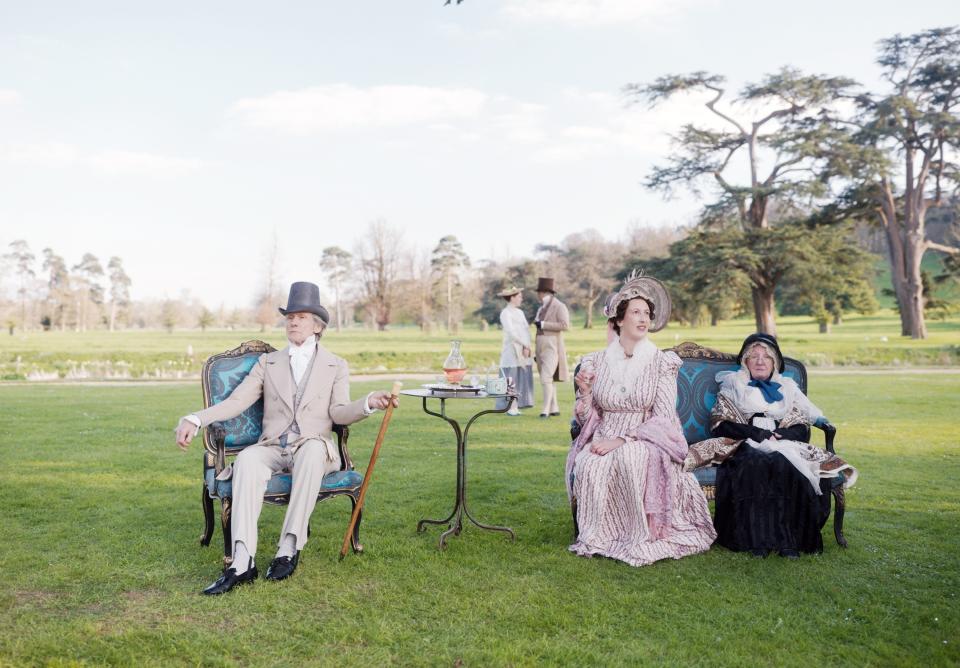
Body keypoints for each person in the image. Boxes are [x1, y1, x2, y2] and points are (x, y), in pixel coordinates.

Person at [174, 281, 398, 595]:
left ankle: (288, 548)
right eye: (290, 316)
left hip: (313, 445)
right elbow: (237, 402)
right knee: (249, 460)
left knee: (310, 451)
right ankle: (242, 562)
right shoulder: (269, 363)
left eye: (302, 316)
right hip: (273, 446)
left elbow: (339, 412)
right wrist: (195, 418)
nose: (292, 321)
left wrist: (367, 403)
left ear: (318, 325)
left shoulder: (336, 365)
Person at [566, 270, 716, 566]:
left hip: (648, 436)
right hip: (604, 432)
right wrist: (584, 392)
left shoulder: (661, 363)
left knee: (629, 457)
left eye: (646, 313)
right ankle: (603, 535)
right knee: (590, 462)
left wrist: (622, 439)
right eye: (635, 312)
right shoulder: (596, 361)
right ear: (619, 320)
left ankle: (639, 536)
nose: (643, 318)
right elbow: (587, 418)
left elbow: (662, 417)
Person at [685, 333, 858, 558]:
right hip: (744, 442)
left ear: (774, 363)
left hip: (782, 443)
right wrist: (756, 433)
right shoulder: (733, 385)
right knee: (753, 464)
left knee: (784, 465)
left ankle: (788, 541)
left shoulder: (787, 388)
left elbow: (801, 426)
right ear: (745, 361)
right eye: (754, 356)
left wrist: (780, 434)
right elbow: (720, 425)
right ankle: (756, 541)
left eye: (766, 357)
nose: (760, 361)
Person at [534, 277, 570, 418]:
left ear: (544, 292)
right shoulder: (541, 307)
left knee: (545, 377)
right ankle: (554, 407)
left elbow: (565, 325)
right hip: (540, 345)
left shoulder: (559, 306)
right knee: (548, 379)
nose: (538, 295)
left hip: (552, 345)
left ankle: (545, 409)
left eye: (539, 292)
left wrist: (544, 324)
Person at [496, 285, 534, 415]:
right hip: (511, 349)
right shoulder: (505, 313)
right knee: (510, 377)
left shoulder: (520, 313)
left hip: (522, 349)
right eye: (519, 297)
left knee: (519, 376)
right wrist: (524, 344)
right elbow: (511, 332)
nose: (521, 299)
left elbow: (526, 330)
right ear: (512, 298)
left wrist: (527, 346)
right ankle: (509, 406)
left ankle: (516, 405)